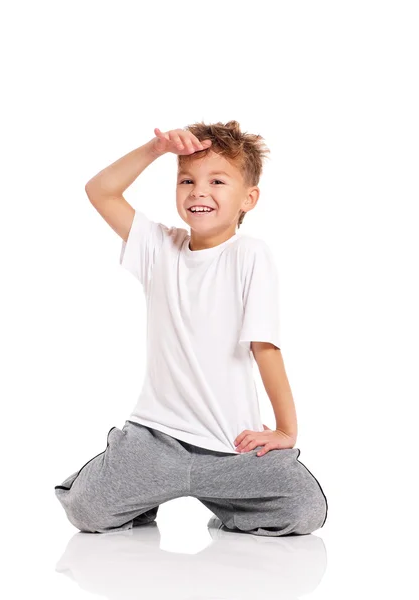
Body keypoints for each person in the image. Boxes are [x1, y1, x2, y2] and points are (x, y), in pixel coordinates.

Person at [54, 120, 328, 536]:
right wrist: (155, 149)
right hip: (156, 439)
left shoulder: (251, 255)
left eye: (217, 180)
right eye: (187, 180)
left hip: (231, 445)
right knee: (87, 512)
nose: (199, 191)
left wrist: (286, 429)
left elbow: (265, 346)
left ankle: (226, 508)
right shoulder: (159, 247)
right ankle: (140, 494)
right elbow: (100, 190)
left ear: (248, 199)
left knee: (304, 511)